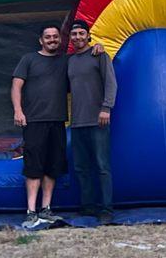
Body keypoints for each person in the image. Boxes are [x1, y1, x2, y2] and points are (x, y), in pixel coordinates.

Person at [11, 24, 103, 229]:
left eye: (55, 37)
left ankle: (46, 209)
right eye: (48, 37)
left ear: (60, 40)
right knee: (34, 166)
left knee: (53, 167)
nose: (52, 40)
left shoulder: (66, 61)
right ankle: (31, 211)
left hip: (58, 121)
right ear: (41, 40)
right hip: (34, 121)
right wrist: (18, 110)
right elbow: (17, 85)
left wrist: (98, 46)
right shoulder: (28, 59)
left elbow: (84, 57)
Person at [67, 19, 117, 224]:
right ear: (70, 38)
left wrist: (106, 108)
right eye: (74, 34)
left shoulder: (100, 55)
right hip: (77, 122)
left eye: (81, 33)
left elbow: (111, 83)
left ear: (88, 36)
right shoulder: (68, 61)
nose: (78, 37)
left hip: (98, 121)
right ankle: (88, 206)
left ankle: (106, 209)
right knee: (81, 167)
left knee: (102, 166)